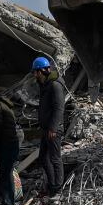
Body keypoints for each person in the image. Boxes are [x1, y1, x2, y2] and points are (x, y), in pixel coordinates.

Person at [31, 56, 67, 196]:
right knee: (43, 158)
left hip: (53, 130)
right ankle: (52, 185)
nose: (34, 75)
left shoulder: (55, 85)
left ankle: (57, 188)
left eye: (35, 72)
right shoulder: (45, 85)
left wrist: (53, 128)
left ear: (40, 71)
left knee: (55, 158)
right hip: (46, 129)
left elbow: (59, 108)